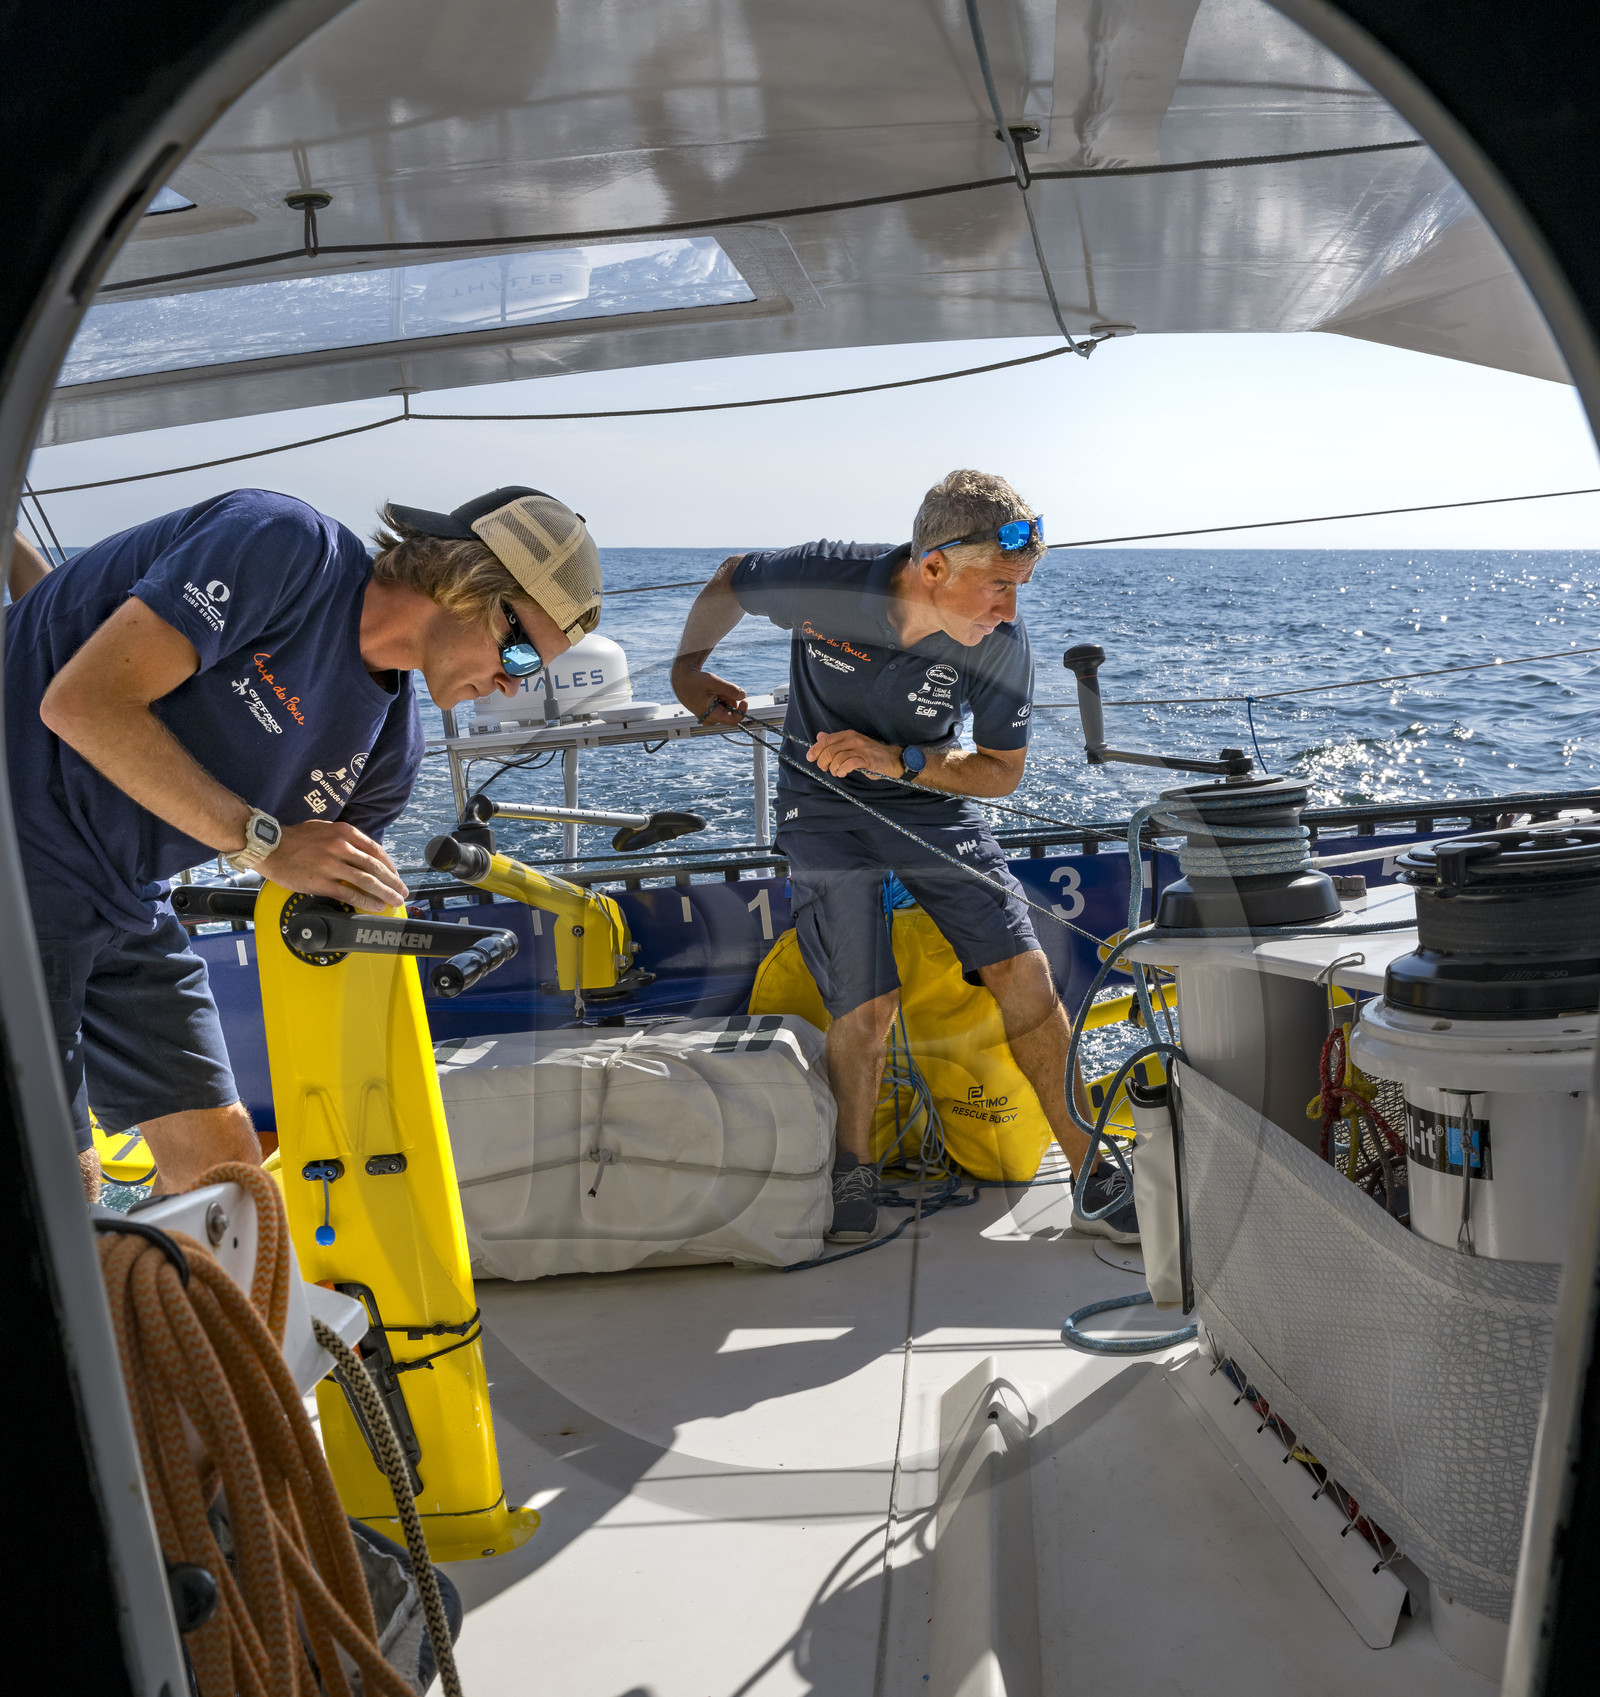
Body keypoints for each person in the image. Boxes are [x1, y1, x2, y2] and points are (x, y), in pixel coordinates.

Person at [5, 483, 602, 1201]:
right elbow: (80, 701)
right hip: (19, 848)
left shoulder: (388, 750)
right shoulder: (285, 545)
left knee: (228, 1187)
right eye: (526, 655)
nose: (512, 685)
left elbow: (319, 901)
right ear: (471, 583)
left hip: (122, 896)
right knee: (61, 1194)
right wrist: (265, 843)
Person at [671, 468, 1135, 1245]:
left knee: (1023, 972)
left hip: (927, 792)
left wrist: (903, 763)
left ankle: (1088, 1163)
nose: (1010, 609)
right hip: (820, 804)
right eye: (997, 586)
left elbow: (1000, 770)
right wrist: (688, 669)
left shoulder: (1001, 646)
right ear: (932, 568)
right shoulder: (824, 579)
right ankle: (853, 1166)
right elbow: (730, 581)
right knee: (868, 1002)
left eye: (1021, 587)